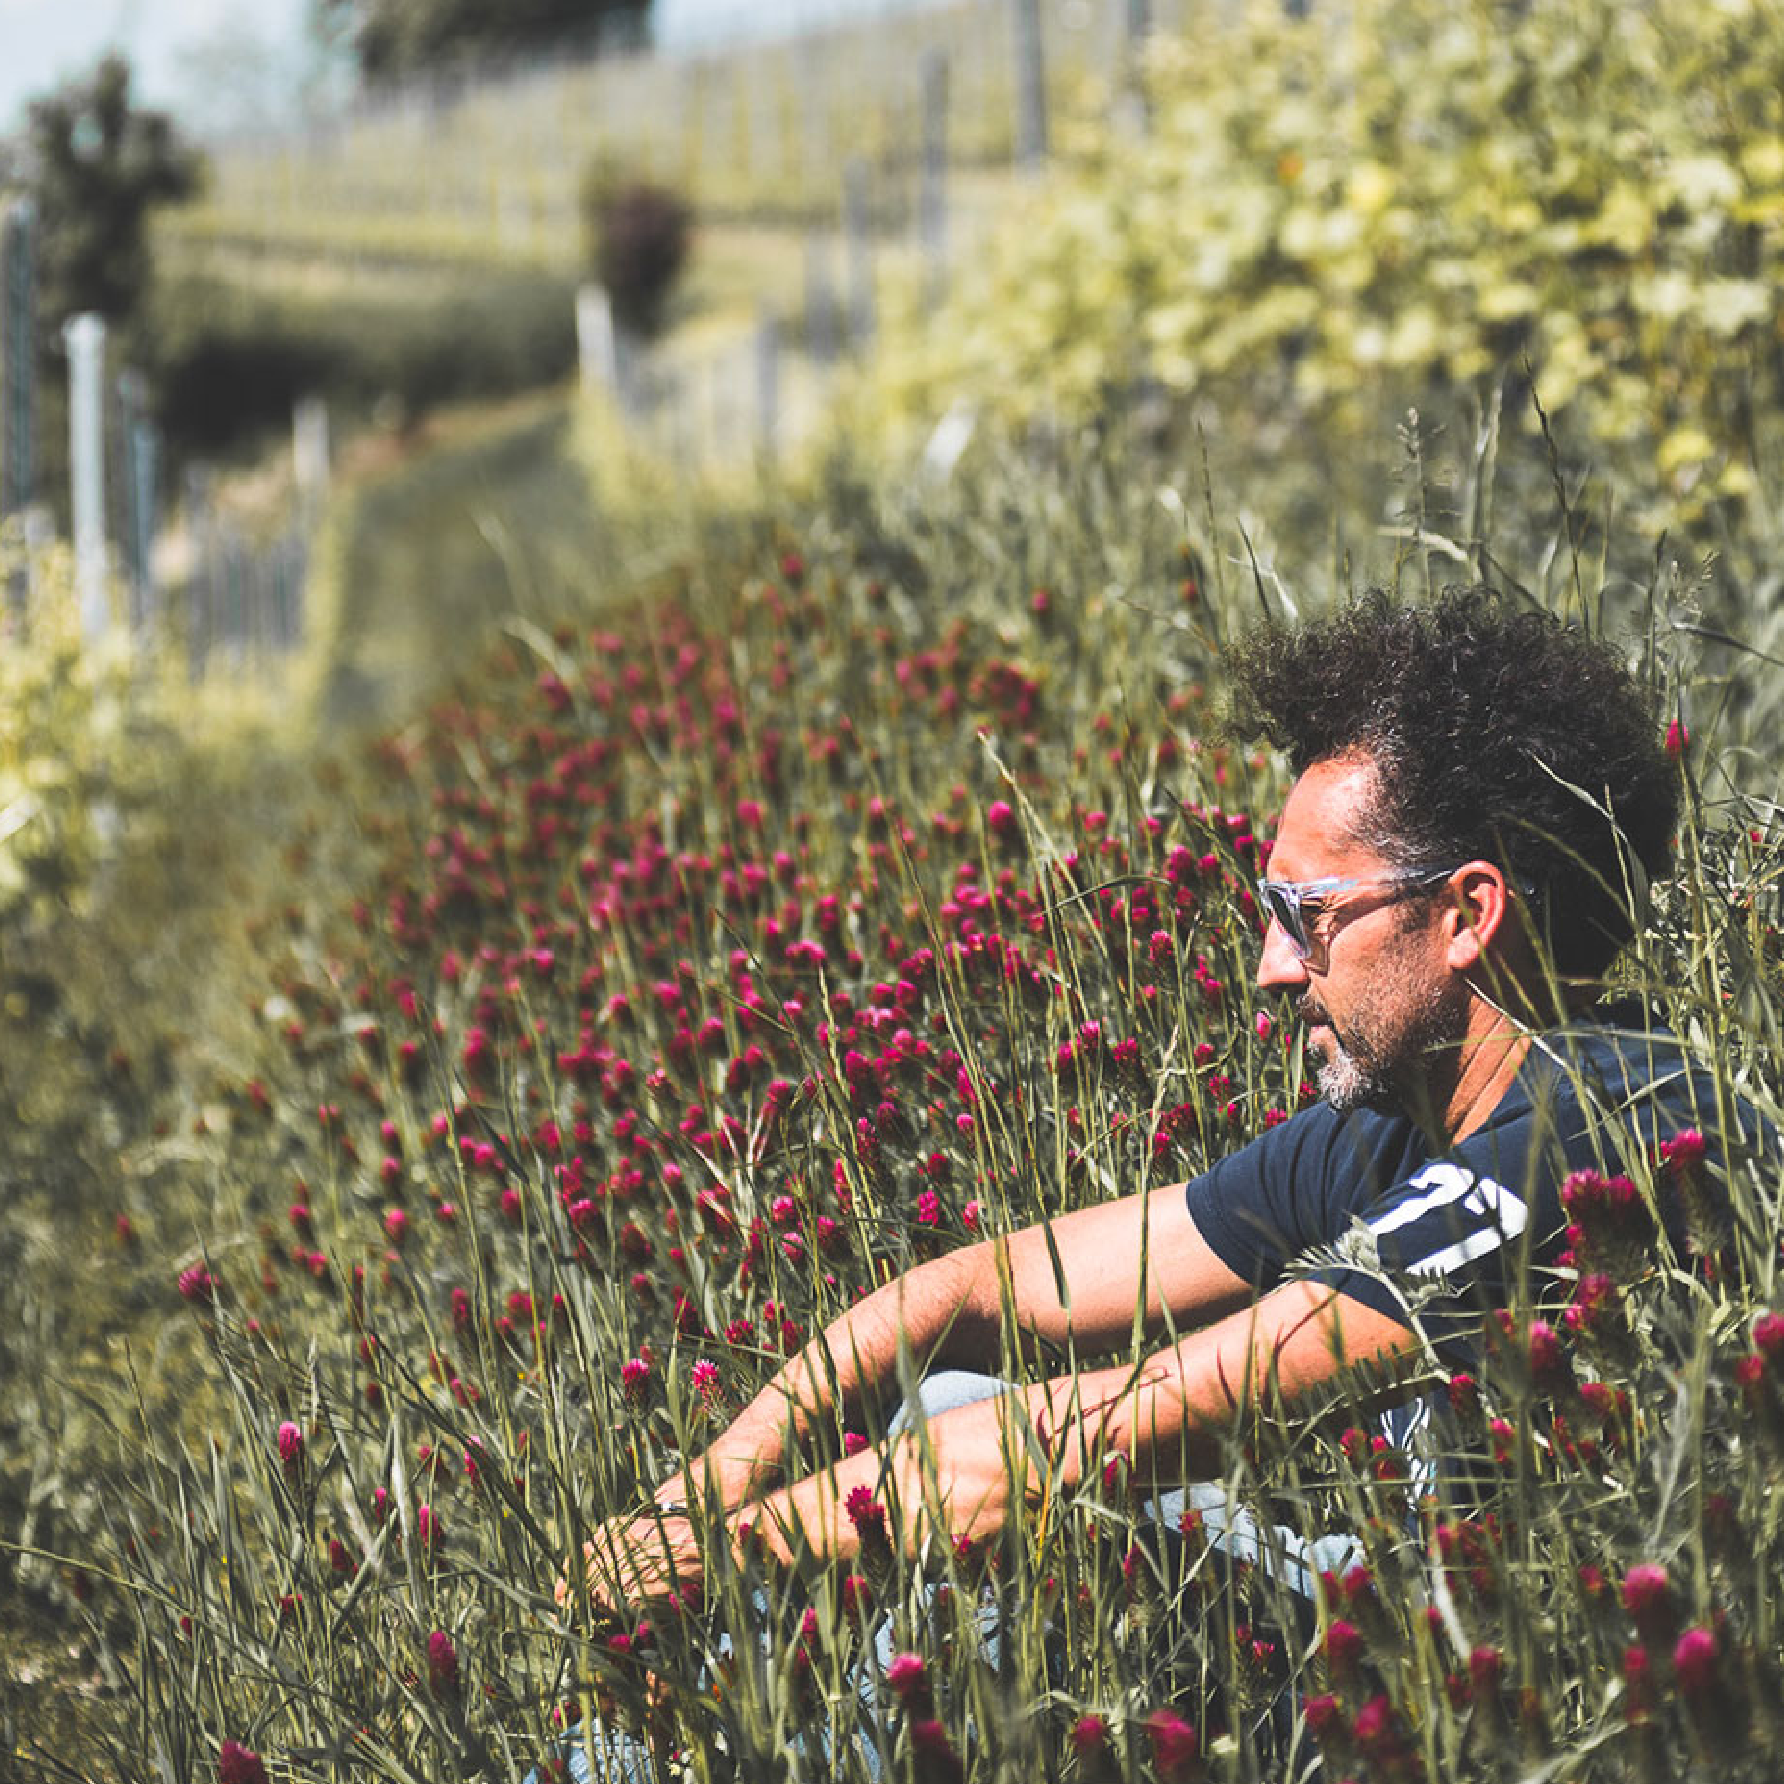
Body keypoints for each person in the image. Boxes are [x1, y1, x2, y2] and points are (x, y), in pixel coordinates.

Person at [559, 587, 1755, 1772]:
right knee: (951, 1397)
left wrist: (719, 1555)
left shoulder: (1610, 1126)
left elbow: (1118, 1432)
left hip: (1528, 1695)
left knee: (1004, 1490)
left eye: (1302, 915)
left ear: (1463, 913)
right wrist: (695, 1500)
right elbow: (967, 1289)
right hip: (1412, 1607)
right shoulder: (1394, 1125)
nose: (1268, 970)